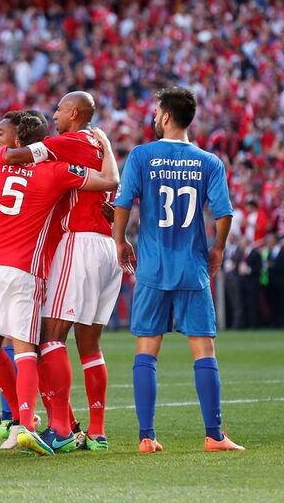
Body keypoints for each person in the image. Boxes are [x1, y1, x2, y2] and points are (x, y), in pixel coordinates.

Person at [0, 114, 118, 457]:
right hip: (25, 269)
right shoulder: (56, 171)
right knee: (29, 348)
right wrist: (104, 145)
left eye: (1, 134)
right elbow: (106, 181)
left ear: (18, 141)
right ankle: (26, 425)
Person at [0, 92, 121, 452]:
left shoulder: (67, 142)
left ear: (73, 113)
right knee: (89, 345)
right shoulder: (99, 142)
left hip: (80, 242)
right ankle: (96, 430)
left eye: (58, 109)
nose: (53, 115)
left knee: (49, 337)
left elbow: (16, 155)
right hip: (107, 245)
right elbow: (112, 187)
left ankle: (60, 428)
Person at [112, 86, 244, 454]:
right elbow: (224, 213)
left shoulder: (142, 156)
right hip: (192, 267)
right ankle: (214, 436)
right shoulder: (209, 161)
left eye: (156, 112)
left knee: (147, 348)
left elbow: (123, 202)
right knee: (203, 348)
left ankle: (146, 436)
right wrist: (217, 247)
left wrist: (120, 240)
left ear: (167, 116)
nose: (154, 117)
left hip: (153, 266)